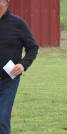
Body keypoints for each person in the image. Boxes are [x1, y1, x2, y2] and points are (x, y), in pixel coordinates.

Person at [0, 0, 39, 133]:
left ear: (6, 2)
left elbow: (33, 47)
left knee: (2, 118)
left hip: (8, 80)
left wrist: (23, 64)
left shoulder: (17, 23)